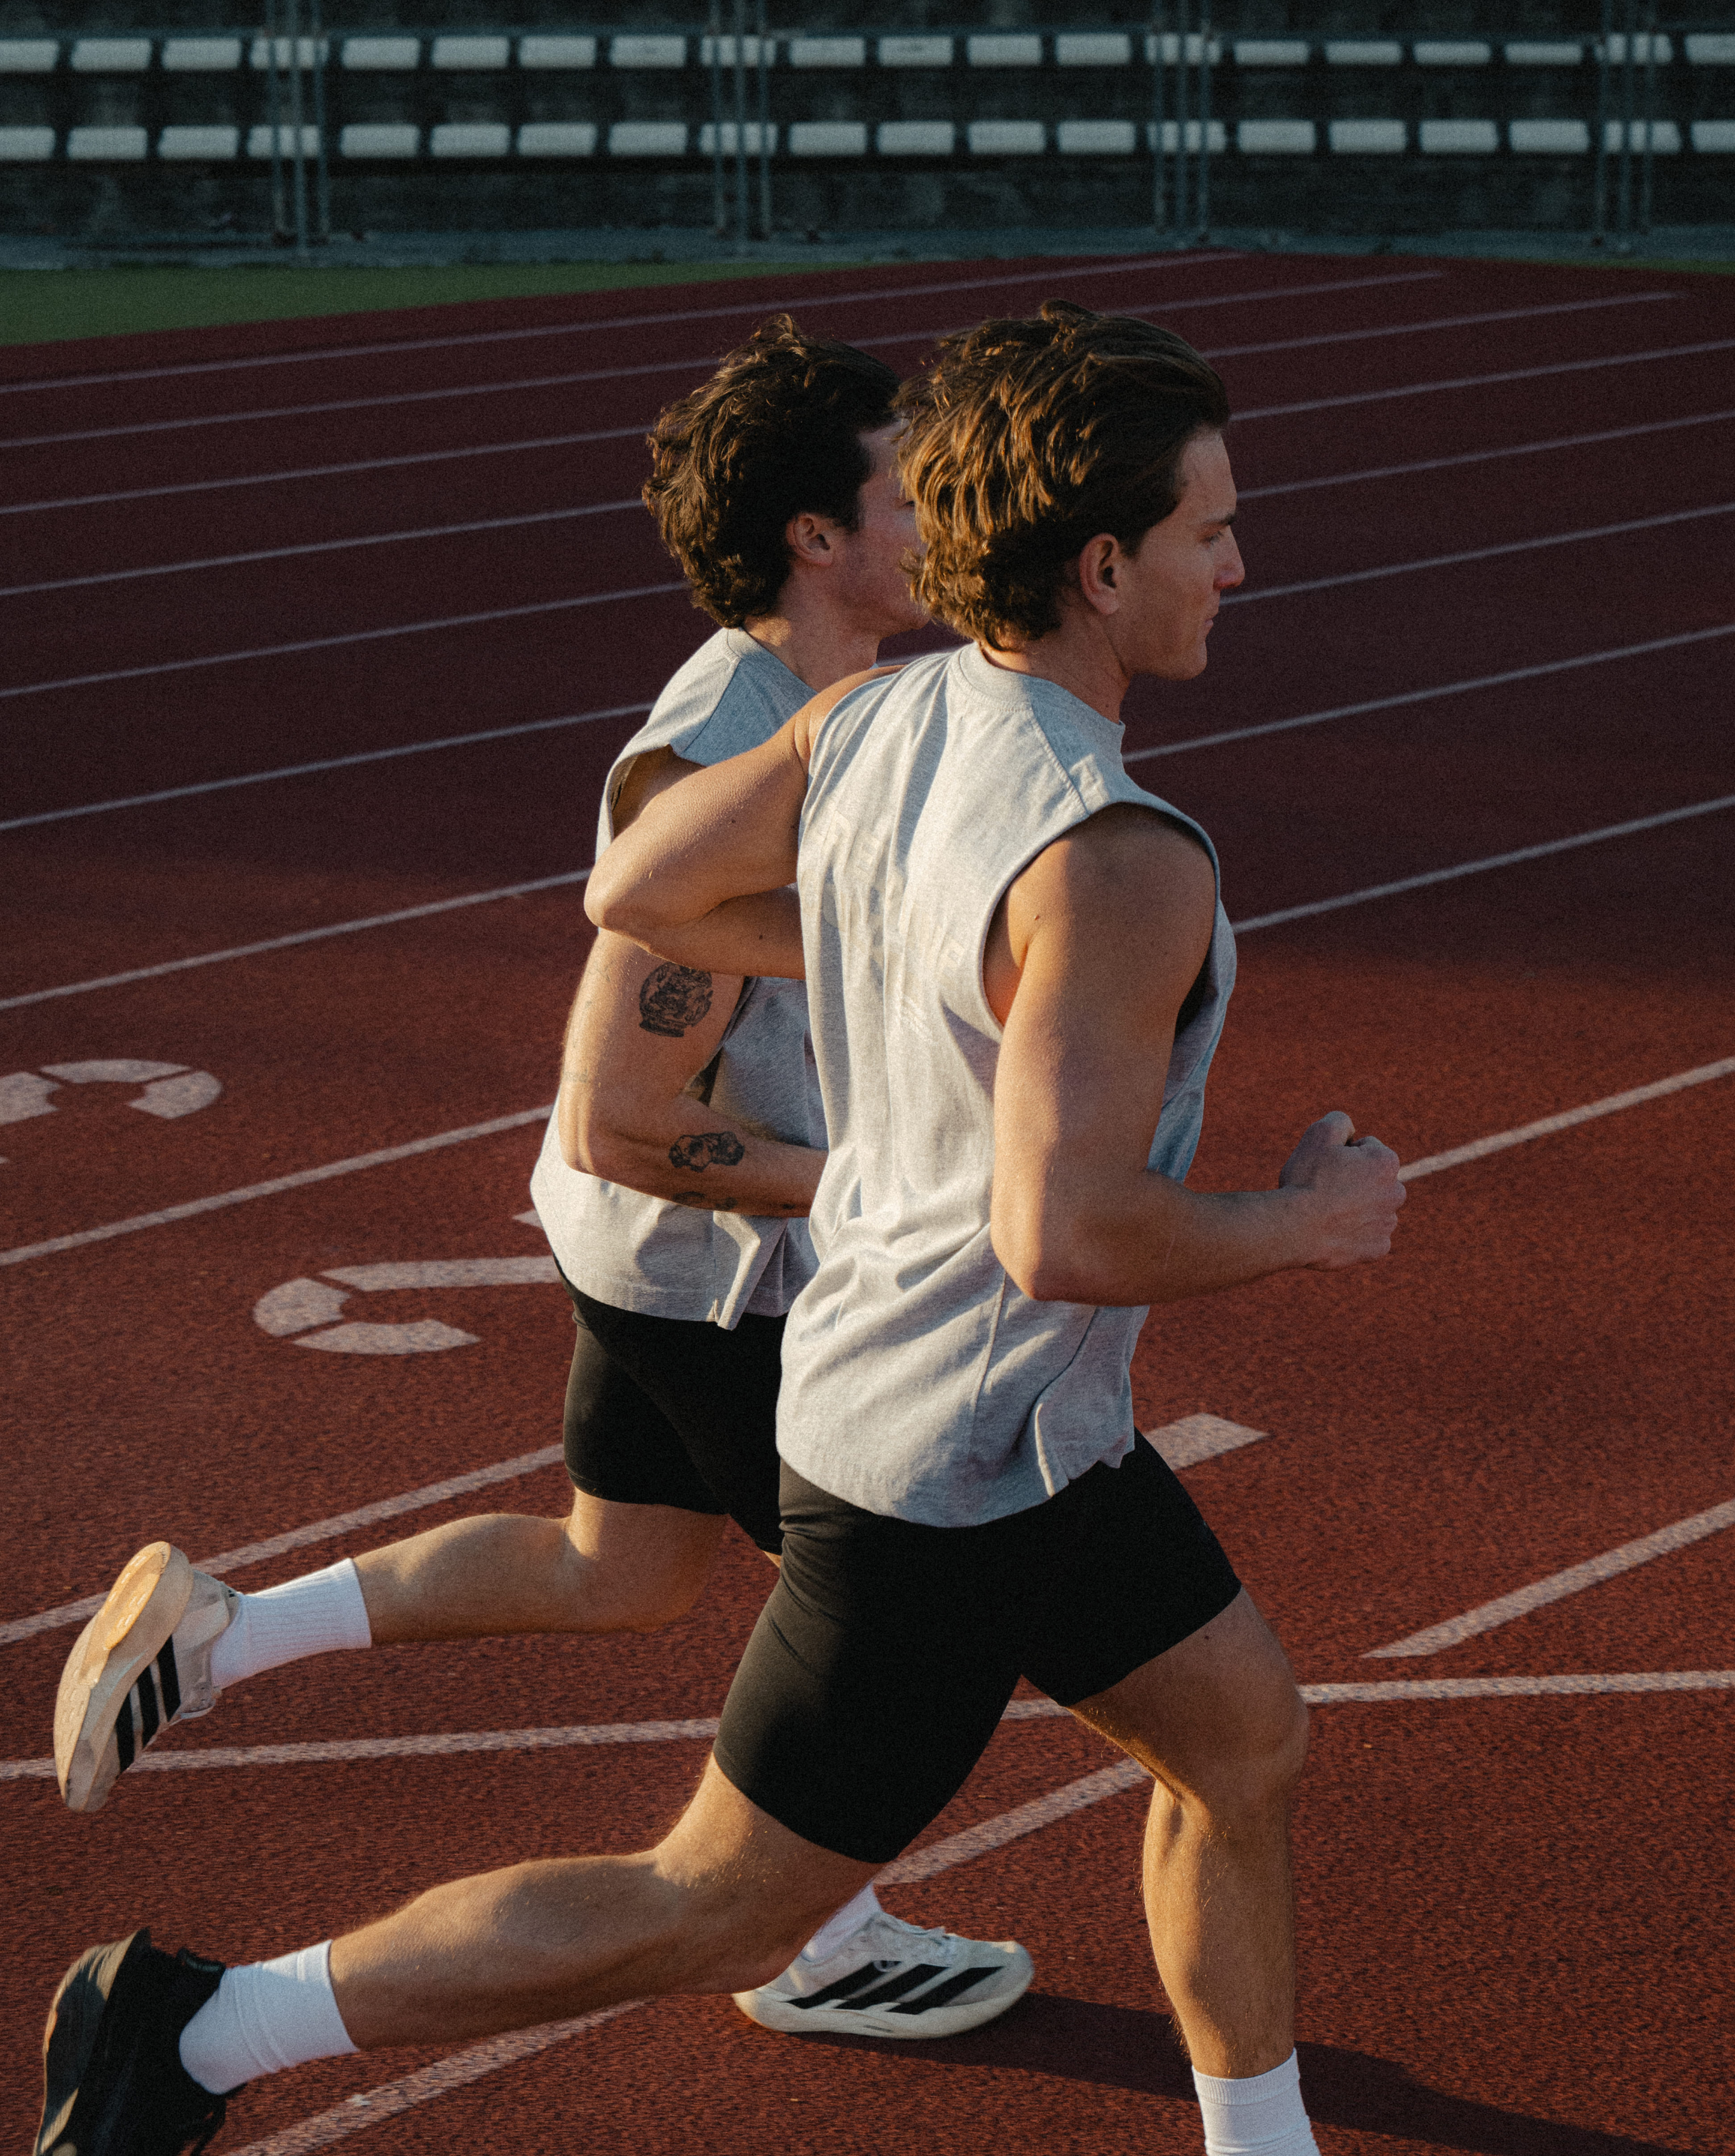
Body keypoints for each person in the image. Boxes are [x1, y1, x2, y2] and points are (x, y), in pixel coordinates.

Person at [40, 303, 1403, 2156]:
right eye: (1207, 530)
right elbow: (1066, 1236)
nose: (1237, 566)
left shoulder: (877, 711)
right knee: (714, 1908)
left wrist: (895, 949)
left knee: (1242, 1741)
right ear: (1102, 565)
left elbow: (637, 883)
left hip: (1023, 1438)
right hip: (941, 1475)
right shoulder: (1115, 853)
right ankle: (195, 2032)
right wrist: (1304, 1223)